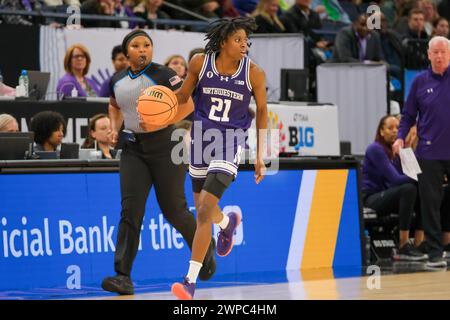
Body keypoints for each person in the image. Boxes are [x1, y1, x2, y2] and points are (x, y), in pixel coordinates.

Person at [100, 29, 216, 295]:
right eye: (137, 45)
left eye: (147, 45)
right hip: (133, 150)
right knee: (131, 212)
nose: (143, 50)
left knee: (174, 211)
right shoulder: (117, 79)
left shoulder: (164, 74)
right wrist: (115, 127)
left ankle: (205, 253)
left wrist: (161, 119)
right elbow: (114, 105)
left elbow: (188, 105)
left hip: (167, 146)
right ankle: (123, 276)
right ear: (126, 52)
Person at [171, 17, 268, 300]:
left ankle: (189, 281)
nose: (244, 45)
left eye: (246, 41)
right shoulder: (200, 63)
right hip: (200, 139)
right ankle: (227, 224)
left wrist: (261, 156)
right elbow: (182, 97)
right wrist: (157, 106)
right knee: (203, 207)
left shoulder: (254, 73)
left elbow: (262, 112)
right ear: (224, 41)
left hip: (230, 141)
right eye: (238, 40)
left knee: (202, 212)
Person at [393, 36, 450, 268]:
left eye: (443, 52)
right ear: (428, 54)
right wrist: (399, 138)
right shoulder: (418, 82)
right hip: (428, 153)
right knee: (430, 204)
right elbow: (408, 116)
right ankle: (436, 254)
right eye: (435, 52)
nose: (439, 56)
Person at [362, 115, 427, 261]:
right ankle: (403, 246)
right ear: (381, 131)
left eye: (397, 128)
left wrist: (408, 150)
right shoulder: (375, 149)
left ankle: (419, 243)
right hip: (372, 199)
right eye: (390, 128)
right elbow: (395, 180)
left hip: (388, 195)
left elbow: (412, 174)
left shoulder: (398, 151)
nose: (395, 131)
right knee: (409, 189)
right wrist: (422, 177)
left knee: (422, 191)